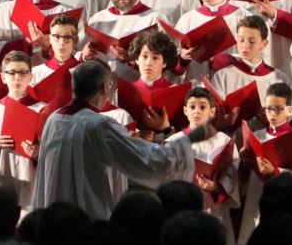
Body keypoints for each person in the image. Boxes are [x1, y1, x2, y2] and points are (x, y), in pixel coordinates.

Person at [30, 61, 212, 218]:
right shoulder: (98, 125)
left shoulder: (54, 119)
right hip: (85, 215)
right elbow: (147, 162)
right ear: (104, 87)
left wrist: (125, 140)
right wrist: (183, 146)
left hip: (54, 214)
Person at [239, 82, 292, 245]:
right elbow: (246, 173)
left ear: (289, 110)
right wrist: (244, 161)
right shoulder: (256, 136)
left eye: (278, 109)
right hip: (256, 195)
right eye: (269, 108)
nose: (272, 113)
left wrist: (275, 171)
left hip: (284, 201)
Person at [0, 51, 44, 213]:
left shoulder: (42, 110)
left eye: (22, 72)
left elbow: (55, 150)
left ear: (30, 77)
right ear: (3, 77)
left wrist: (38, 153)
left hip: (30, 184)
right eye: (11, 73)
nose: (17, 77)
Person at [166, 87, 238, 245]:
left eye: (202, 107)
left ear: (212, 111)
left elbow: (233, 174)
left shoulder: (224, 141)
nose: (196, 111)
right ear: (185, 110)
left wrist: (216, 186)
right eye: (192, 107)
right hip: (183, 207)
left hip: (213, 207)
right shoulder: (173, 142)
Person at [173, 0, 251, 82]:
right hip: (197, 90)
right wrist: (183, 58)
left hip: (232, 84)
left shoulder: (243, 17)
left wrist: (221, 60)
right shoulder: (186, 20)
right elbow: (175, 70)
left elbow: (254, 58)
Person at [204, 16, 286, 132]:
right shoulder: (223, 76)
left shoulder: (279, 78)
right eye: (241, 40)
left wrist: (272, 119)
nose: (245, 45)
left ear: (264, 44)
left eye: (252, 41)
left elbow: (289, 117)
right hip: (230, 141)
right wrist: (222, 122)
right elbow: (208, 116)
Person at [82, 0, 161, 80]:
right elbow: (78, 56)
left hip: (138, 90)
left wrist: (134, 58)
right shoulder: (96, 20)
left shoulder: (154, 19)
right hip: (103, 91)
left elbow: (167, 64)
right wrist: (85, 55)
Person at [31, 14, 83, 83]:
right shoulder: (35, 73)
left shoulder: (85, 72)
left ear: (75, 40)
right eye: (57, 36)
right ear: (50, 39)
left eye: (67, 37)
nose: (61, 42)